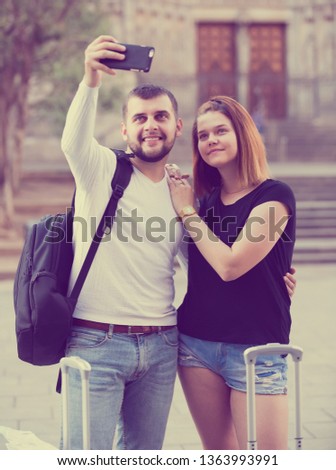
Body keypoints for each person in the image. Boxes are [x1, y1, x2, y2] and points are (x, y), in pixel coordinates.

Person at [61, 35, 296, 450]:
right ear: (124, 128)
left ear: (176, 125)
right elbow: (73, 142)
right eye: (140, 118)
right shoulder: (102, 170)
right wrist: (90, 77)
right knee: (85, 456)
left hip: (166, 343)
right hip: (106, 341)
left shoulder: (190, 197)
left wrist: (274, 276)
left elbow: (216, 264)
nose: (150, 125)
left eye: (161, 116)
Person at [166, 96, 296, 450]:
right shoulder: (205, 202)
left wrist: (186, 212)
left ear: (243, 133)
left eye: (220, 131)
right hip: (196, 346)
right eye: (203, 135)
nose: (210, 141)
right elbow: (199, 266)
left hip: (256, 347)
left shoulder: (274, 195)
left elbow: (230, 265)